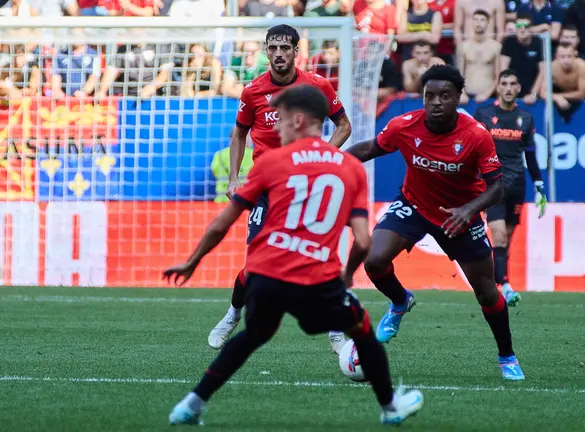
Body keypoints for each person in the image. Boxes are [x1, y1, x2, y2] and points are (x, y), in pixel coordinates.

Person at [164, 85, 424, 426]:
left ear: (299, 120)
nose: (277, 128)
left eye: (282, 121)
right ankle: (391, 408)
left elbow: (221, 223)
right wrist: (346, 275)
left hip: (265, 276)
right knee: (362, 331)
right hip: (319, 280)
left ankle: (190, 405)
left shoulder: (271, 162)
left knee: (253, 335)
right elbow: (362, 240)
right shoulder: (350, 168)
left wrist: (192, 261)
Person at [343, 65, 526, 381]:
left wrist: (469, 210)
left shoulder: (476, 135)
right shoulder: (404, 125)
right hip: (413, 205)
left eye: (445, 96)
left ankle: (507, 356)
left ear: (458, 97)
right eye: (430, 96)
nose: (436, 102)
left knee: (486, 292)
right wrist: (328, 157)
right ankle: (400, 301)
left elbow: (497, 188)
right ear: (422, 98)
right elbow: (370, 148)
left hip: (460, 216)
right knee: (374, 260)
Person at [208, 24, 352, 352]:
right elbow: (239, 134)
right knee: (257, 263)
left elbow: (344, 125)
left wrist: (323, 159)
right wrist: (233, 179)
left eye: (284, 48)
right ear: (265, 51)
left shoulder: (317, 86)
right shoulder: (253, 92)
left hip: (308, 189)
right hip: (269, 188)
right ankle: (233, 315)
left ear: (296, 52)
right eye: (272, 48)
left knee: (322, 257)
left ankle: (335, 329)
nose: (278, 54)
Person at [473, 70, 546, 306]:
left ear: (518, 88)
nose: (507, 88)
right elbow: (472, 149)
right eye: (503, 83)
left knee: (507, 239)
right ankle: (504, 286)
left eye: (512, 84)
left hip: (517, 184)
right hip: (492, 184)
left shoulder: (525, 118)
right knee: (499, 235)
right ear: (498, 87)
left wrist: (539, 183)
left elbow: (531, 155)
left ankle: (498, 282)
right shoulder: (484, 114)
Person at [457, 9, 502, 103]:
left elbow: (498, 76)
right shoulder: (463, 46)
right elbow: (459, 74)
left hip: (488, 96)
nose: (478, 23)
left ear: (488, 22)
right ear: (471, 22)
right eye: (475, 19)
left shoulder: (496, 46)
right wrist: (462, 93)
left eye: (482, 20)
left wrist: (487, 94)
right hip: (467, 96)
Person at [500, 13, 545, 104]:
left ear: (531, 28)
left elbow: (543, 71)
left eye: (526, 26)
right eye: (519, 26)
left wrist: (533, 94)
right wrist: (507, 92)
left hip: (533, 91)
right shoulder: (509, 42)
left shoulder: (538, 43)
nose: (523, 29)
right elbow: (504, 70)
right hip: (512, 91)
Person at [541, 43, 585, 122]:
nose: (566, 60)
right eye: (562, 57)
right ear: (557, 56)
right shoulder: (552, 67)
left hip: (580, 102)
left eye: (569, 56)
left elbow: (582, 94)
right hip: (561, 95)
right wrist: (557, 98)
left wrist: (559, 96)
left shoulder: (582, 67)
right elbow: (543, 92)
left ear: (575, 55)